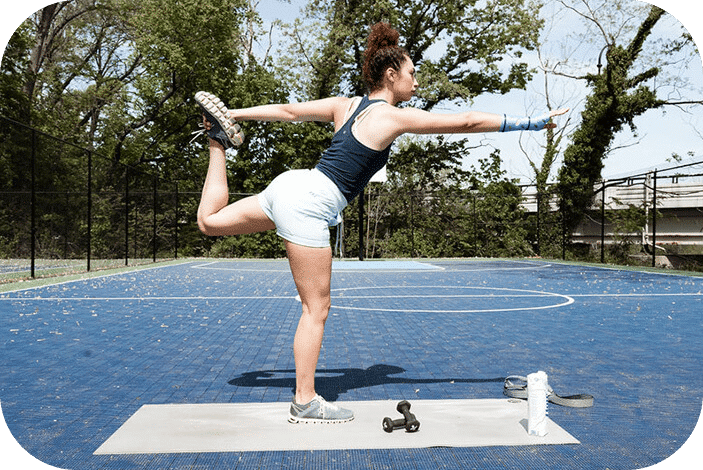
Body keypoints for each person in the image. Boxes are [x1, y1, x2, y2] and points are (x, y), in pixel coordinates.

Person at [193, 22, 567, 424]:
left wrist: (231, 114)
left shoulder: (345, 104)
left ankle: (217, 140)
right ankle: (304, 401)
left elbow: (287, 112)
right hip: (310, 203)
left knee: (210, 222)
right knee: (316, 307)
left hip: (291, 185)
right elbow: (467, 121)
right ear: (391, 75)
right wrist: (530, 122)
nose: (416, 82)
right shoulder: (390, 117)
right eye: (411, 74)